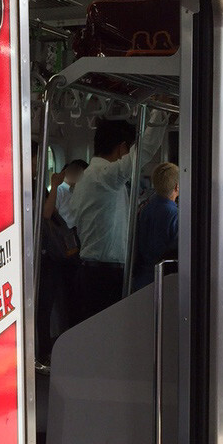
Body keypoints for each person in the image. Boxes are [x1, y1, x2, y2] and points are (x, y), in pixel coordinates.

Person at [72, 117, 163, 318]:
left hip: (94, 272)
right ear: (123, 148)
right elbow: (143, 152)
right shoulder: (103, 176)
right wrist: (158, 118)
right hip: (104, 275)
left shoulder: (90, 178)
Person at [36, 160, 86, 362]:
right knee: (45, 305)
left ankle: (54, 343)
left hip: (56, 252)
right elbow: (47, 213)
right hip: (49, 254)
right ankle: (44, 350)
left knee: (57, 301)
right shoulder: (46, 188)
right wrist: (54, 185)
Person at [133, 161, 179, 288]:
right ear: (177, 187)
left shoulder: (145, 209)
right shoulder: (175, 214)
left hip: (141, 278)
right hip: (163, 280)